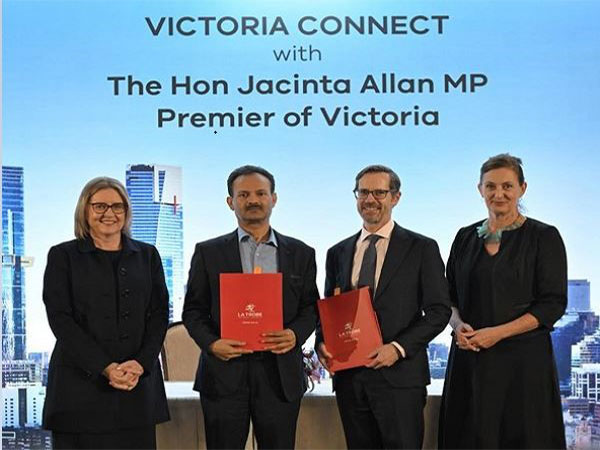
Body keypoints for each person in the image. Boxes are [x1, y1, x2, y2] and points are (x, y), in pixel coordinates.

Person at [182, 165, 319, 449]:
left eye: (260, 193)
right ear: (230, 202)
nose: (253, 200)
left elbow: (311, 308)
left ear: (274, 198)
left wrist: (295, 335)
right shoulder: (208, 252)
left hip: (280, 376)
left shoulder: (301, 253)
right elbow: (193, 311)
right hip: (223, 374)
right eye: (243, 194)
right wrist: (212, 343)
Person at [316, 165, 451, 449]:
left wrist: (398, 348)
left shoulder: (421, 248)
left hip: (400, 379)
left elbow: (439, 311)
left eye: (379, 192)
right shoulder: (337, 252)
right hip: (351, 381)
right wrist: (322, 343)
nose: (370, 199)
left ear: (395, 197)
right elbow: (330, 310)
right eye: (363, 192)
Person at [438, 154, 567, 449]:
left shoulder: (544, 237)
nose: (499, 194)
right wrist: (458, 327)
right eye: (491, 186)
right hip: (470, 363)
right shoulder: (464, 237)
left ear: (522, 188)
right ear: (480, 189)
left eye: (507, 186)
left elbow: (552, 304)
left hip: (523, 368)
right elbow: (448, 296)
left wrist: (496, 334)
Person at [42, 177, 170, 449]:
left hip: (137, 389)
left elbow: (159, 314)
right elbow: (61, 319)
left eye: (117, 206)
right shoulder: (63, 256)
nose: (109, 213)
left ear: (126, 211)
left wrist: (142, 363)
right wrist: (105, 367)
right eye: (99, 206)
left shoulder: (147, 255)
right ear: (84, 211)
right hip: (79, 391)